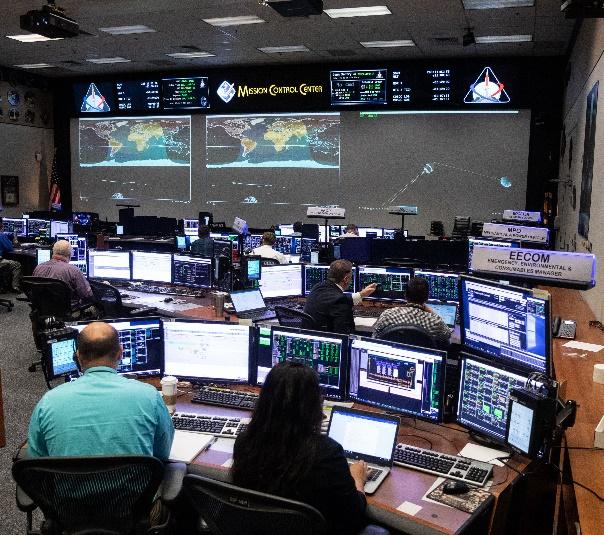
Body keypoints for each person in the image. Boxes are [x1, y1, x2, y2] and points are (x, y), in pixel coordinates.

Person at [232, 361, 368, 535]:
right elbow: (354, 518)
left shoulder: (245, 442)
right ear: (313, 405)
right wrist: (357, 480)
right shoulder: (327, 453)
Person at [27, 321, 174, 459]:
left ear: (77, 357)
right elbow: (162, 455)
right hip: (136, 480)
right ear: (120, 352)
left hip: (68, 479)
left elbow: (36, 461)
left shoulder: (48, 402)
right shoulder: (149, 396)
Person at [303, 259, 377, 334]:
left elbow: (336, 299)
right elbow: (347, 335)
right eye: (351, 277)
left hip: (309, 336)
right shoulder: (341, 301)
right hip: (329, 339)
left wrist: (361, 294)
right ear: (346, 279)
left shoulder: (317, 287)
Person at [372, 277, 452, 345]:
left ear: (405, 295)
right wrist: (431, 311)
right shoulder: (434, 321)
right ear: (427, 297)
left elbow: (374, 338)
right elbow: (448, 334)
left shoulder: (387, 315)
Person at [33, 239, 95, 308]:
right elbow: (87, 295)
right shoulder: (73, 271)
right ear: (69, 255)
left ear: (53, 252)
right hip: (66, 311)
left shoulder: (38, 268)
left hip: (42, 309)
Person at [0, 217, 22, 292]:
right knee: (17, 265)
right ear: (1, 225)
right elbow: (10, 248)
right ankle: (15, 287)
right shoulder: (1, 235)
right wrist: (15, 239)